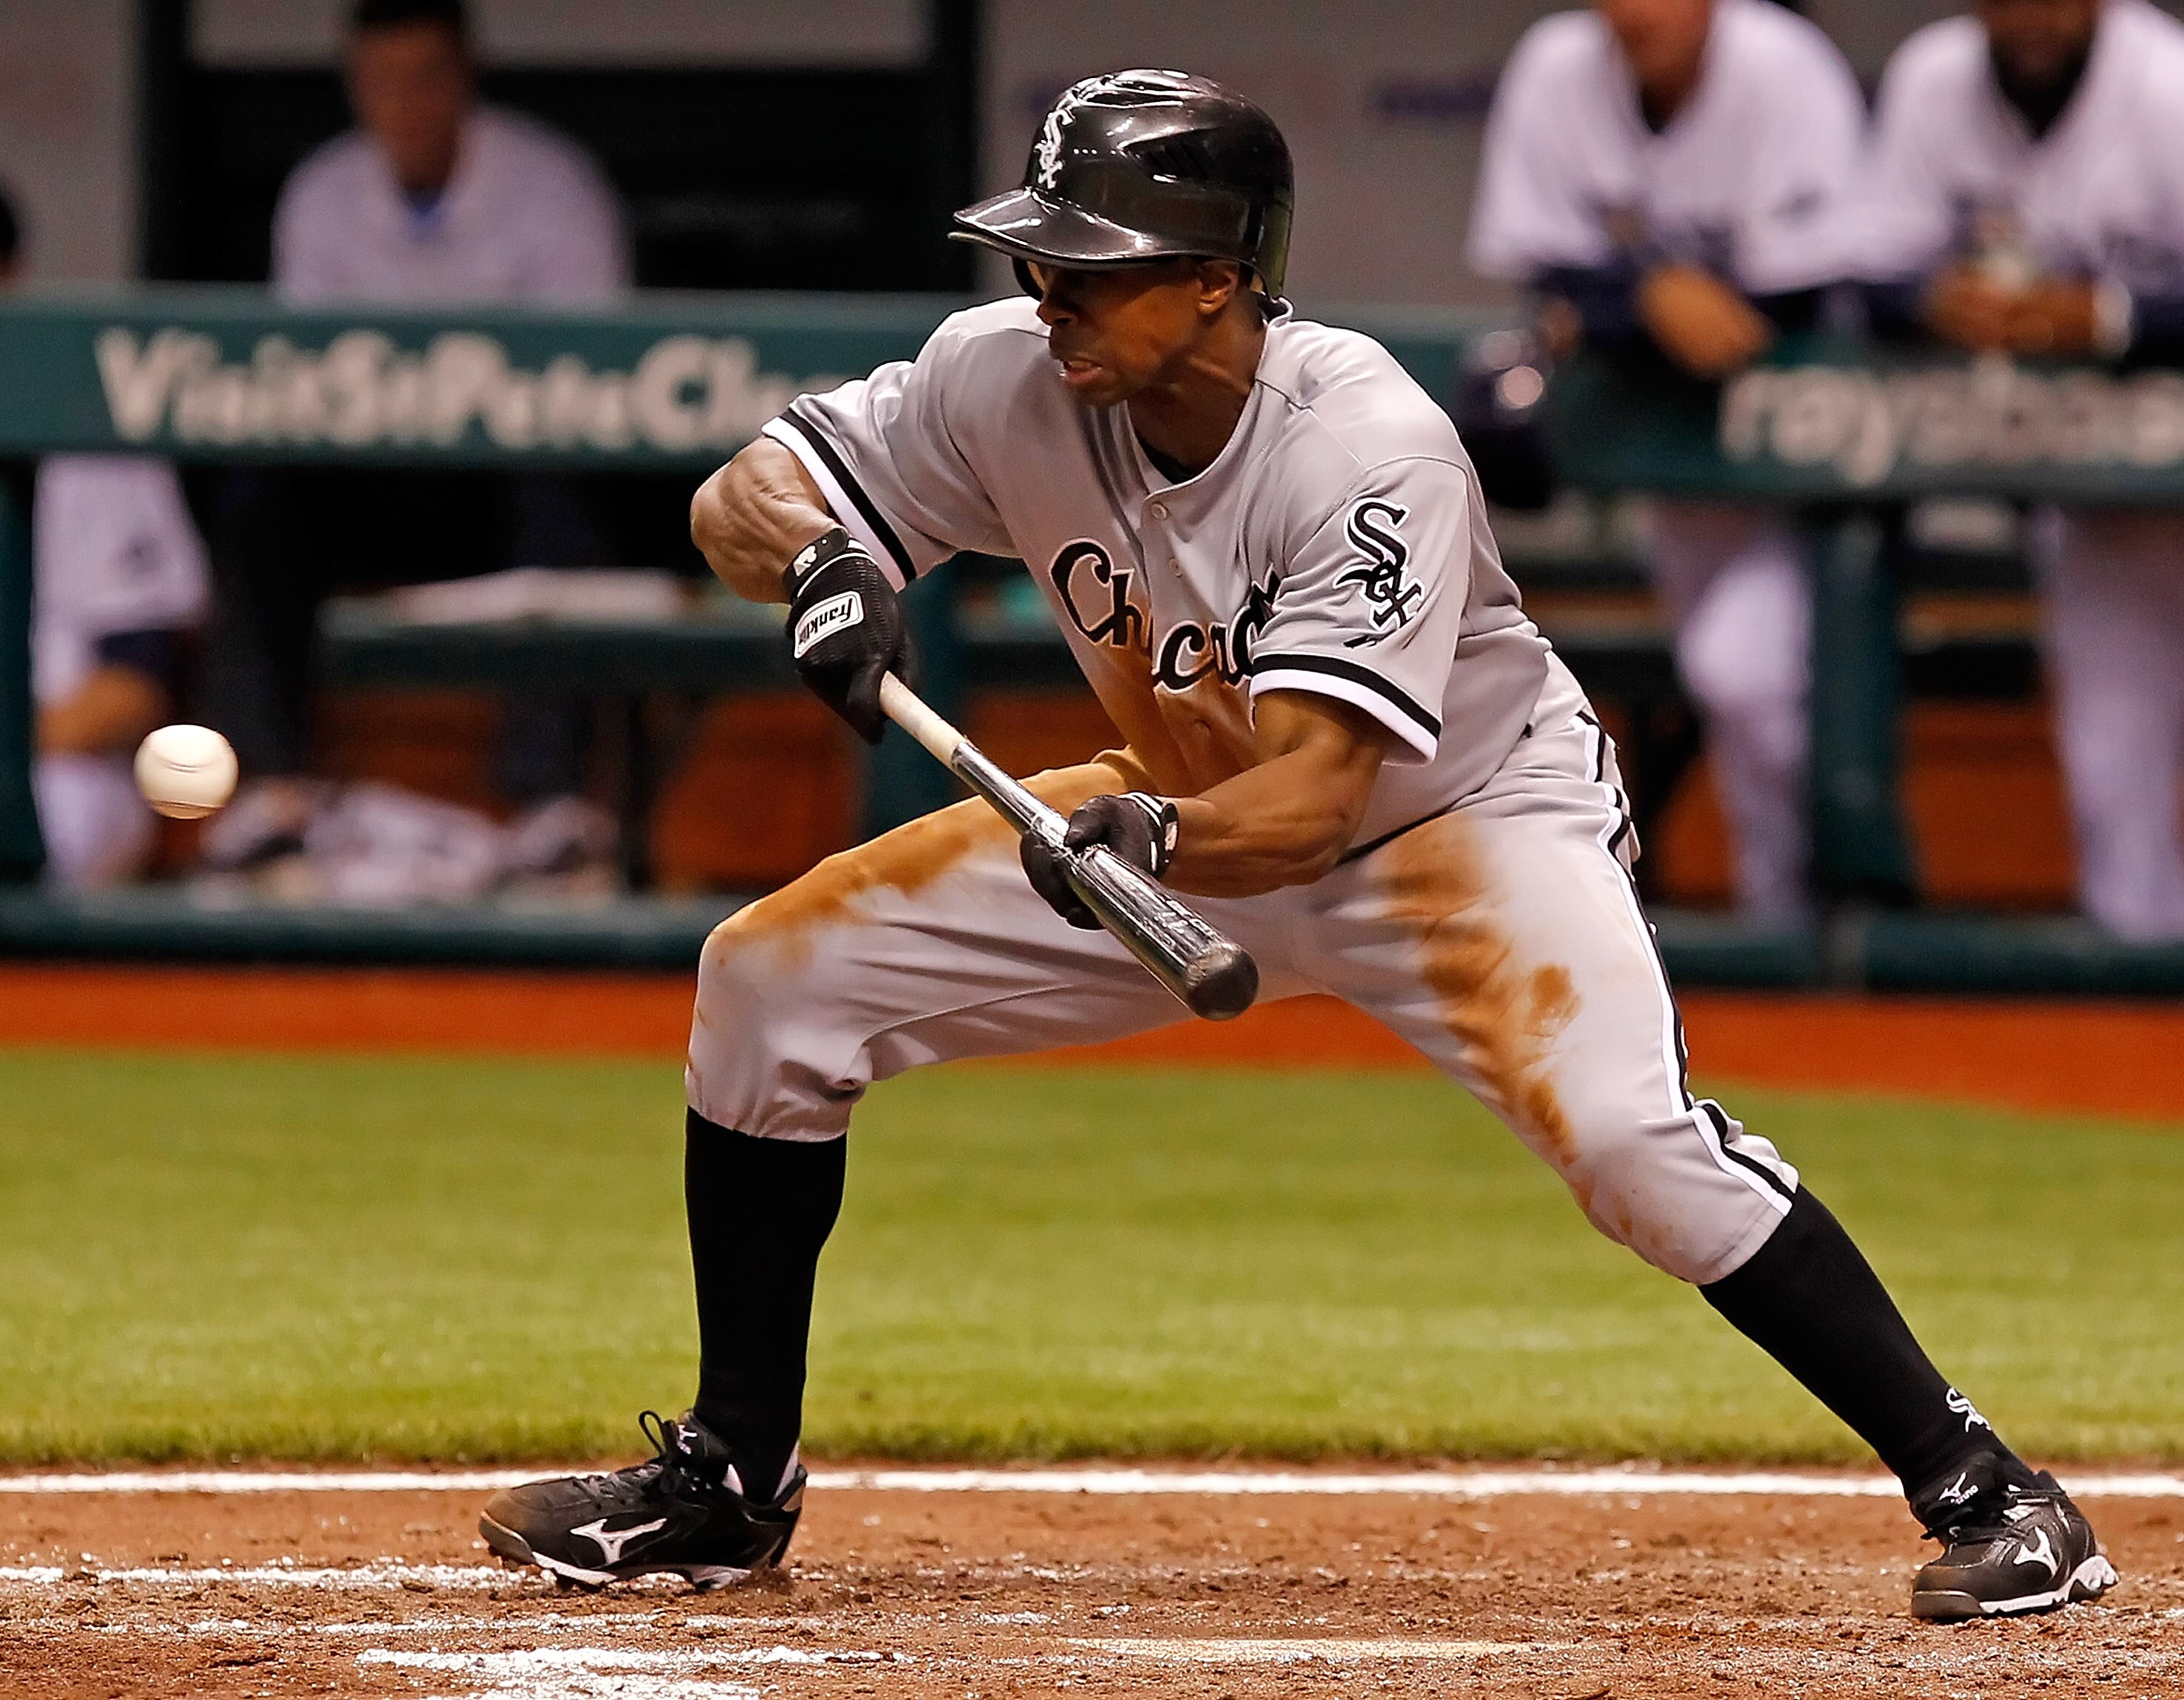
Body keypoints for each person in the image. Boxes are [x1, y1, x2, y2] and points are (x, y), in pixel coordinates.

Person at [480, 70, 2114, 1623]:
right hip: (1171, 802)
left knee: (1629, 1142)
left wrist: (1149, 831)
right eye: (1041, 256)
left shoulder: (1364, 442)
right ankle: (731, 1478)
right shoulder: (1009, 372)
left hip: (1457, 825)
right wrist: (822, 556)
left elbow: (1316, 800)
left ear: (1219, 280)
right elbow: (737, 492)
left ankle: (1993, 1490)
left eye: (1095, 266)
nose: (1050, 293)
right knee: (768, 985)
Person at [199, 0, 629, 869]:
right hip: (375, 488)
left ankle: (552, 803)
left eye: (425, 78)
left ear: (463, 76)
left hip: (509, 485)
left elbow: (597, 383)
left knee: (566, 495)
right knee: (260, 500)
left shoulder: (549, 181)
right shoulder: (324, 190)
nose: (405, 104)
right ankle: (271, 788)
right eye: (382, 81)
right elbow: (304, 382)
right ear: (356, 85)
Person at [1467, 0, 1866, 926]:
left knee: (1747, 675)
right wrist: (1652, 294)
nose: (1639, 13)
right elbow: (1542, 266)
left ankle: (1807, 916)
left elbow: (1796, 296)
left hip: (1806, 468)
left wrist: (1619, 301)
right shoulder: (1560, 67)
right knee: (1738, 684)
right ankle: (1790, 916)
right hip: (1674, 473)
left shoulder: (1781, 65)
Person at [1857, 0, 2184, 941]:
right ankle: (2137, 1047)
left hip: (2156, 450)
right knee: (2112, 766)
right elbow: (1864, 264)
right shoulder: (1934, 79)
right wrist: (1930, 298)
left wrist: (2110, 319)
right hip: (2097, 498)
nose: (2030, 16)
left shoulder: (2162, 83)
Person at [0, 175, 209, 889]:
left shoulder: (90, 440)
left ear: (6, 280)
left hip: (57, 766)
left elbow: (138, 685)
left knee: (60, 830)